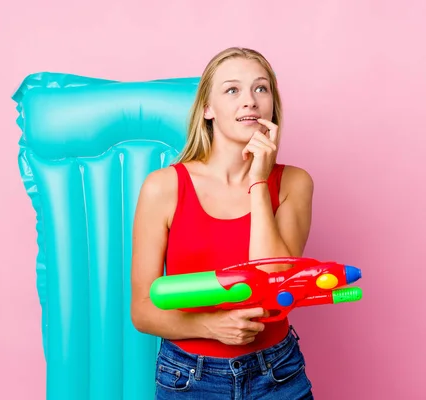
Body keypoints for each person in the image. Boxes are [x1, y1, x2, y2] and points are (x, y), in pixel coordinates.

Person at [131, 47, 315, 399]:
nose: (250, 101)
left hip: (277, 374)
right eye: (232, 90)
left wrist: (259, 182)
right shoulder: (164, 187)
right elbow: (142, 310)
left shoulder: (294, 183)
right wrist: (211, 326)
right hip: (189, 376)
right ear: (208, 109)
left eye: (261, 89)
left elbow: (274, 283)